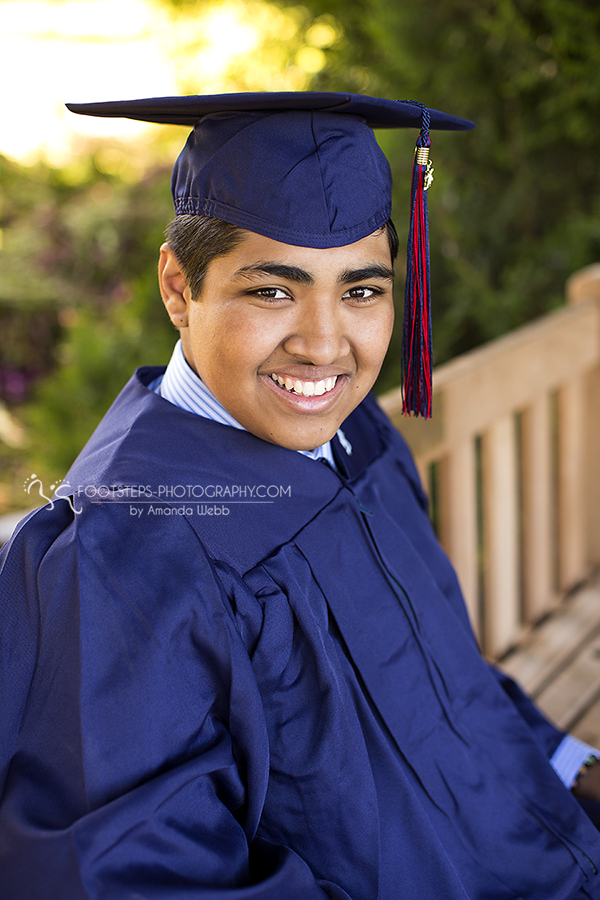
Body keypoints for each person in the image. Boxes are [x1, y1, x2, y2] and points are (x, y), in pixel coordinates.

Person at [1, 91, 600, 900]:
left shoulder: (356, 440)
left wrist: (575, 765)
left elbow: (446, 673)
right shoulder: (123, 552)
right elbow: (128, 875)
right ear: (180, 289)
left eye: (361, 291)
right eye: (273, 291)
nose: (324, 346)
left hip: (541, 844)